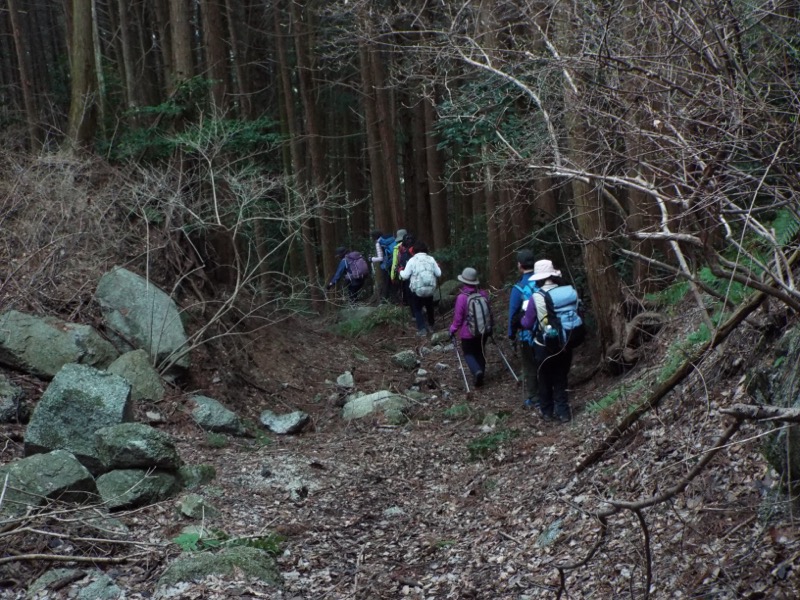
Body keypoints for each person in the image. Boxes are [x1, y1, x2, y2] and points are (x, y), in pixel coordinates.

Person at [520, 259, 573, 423]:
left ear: (539, 278)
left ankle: (548, 412)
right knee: (560, 377)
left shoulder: (536, 297)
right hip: (564, 342)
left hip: (543, 344)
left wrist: (521, 319)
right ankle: (563, 412)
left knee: (544, 378)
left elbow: (527, 323)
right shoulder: (565, 292)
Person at [449, 267, 492, 387]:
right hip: (484, 330)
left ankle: (477, 372)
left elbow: (458, 319)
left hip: (468, 333)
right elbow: (489, 312)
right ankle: (480, 375)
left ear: (464, 281)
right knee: (480, 352)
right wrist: (490, 327)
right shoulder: (483, 294)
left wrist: (452, 330)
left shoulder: (462, 297)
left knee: (468, 353)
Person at [508, 249, 539, 410]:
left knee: (530, 366)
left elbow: (513, 313)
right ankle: (550, 392)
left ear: (520, 265)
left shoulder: (519, 288)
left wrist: (511, 334)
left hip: (528, 334)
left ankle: (534, 397)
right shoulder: (543, 281)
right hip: (548, 331)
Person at [399, 241, 441, 336]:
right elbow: (438, 273)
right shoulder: (431, 259)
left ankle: (422, 329)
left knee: (417, 308)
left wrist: (400, 271)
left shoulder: (412, 260)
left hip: (417, 289)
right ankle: (431, 325)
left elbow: (405, 276)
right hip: (430, 289)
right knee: (429, 307)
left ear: (414, 251)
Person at [371, 230, 396, 301]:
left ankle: (385, 299)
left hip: (386, 265)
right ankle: (394, 298)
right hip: (394, 261)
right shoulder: (391, 239)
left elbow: (380, 258)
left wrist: (372, 259)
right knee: (393, 280)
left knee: (386, 281)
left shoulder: (379, 243)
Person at [389, 229, 407, 303]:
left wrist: (392, 276)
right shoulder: (412, 245)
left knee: (403, 288)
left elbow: (394, 263)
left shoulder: (397, 248)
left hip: (401, 271)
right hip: (413, 271)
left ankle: (405, 302)